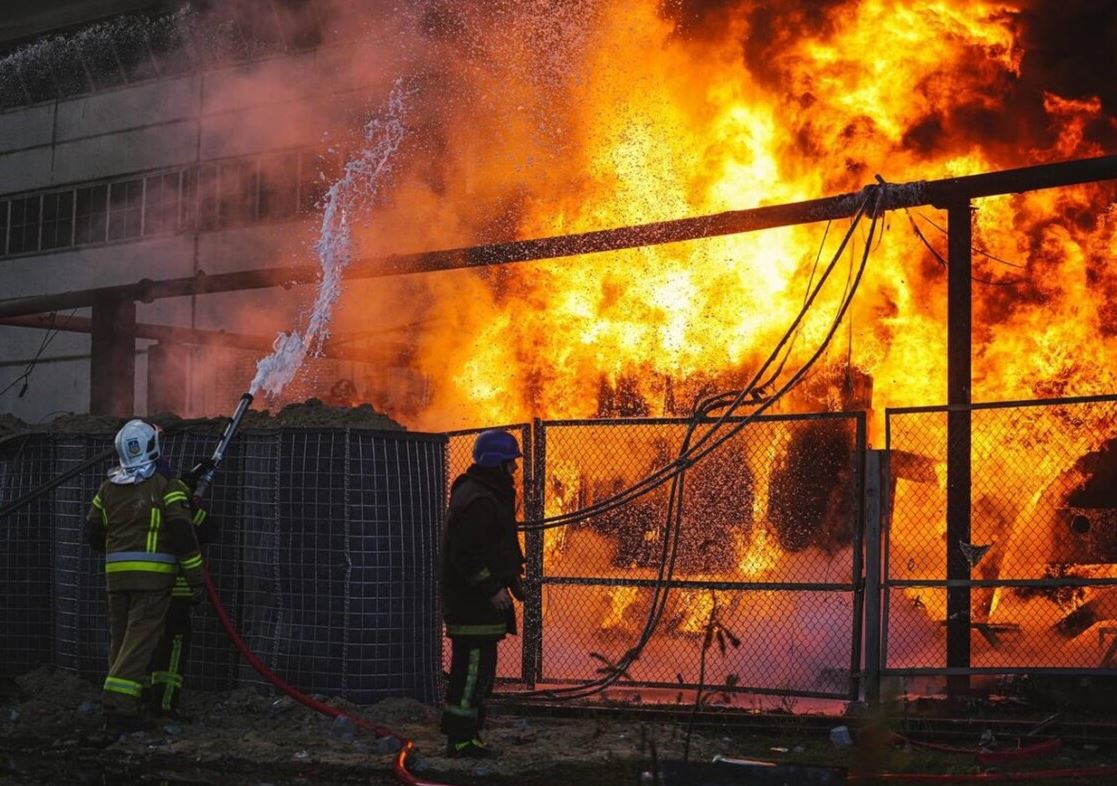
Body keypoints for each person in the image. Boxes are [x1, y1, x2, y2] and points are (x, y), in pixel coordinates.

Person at [84, 419, 205, 734]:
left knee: (122, 642)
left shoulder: (107, 488)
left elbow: (93, 533)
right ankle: (119, 705)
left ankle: (123, 704)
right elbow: (182, 535)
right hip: (153, 583)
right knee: (139, 643)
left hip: (116, 580)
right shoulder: (166, 486)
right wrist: (196, 578)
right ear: (153, 447)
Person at [440, 429, 525, 759]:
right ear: (498, 463)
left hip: (479, 606)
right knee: (471, 674)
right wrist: (491, 588)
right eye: (511, 463)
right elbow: (465, 554)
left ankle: (470, 735)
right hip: (472, 606)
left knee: (479, 675)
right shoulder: (479, 499)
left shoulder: (487, 494)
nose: (515, 470)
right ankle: (461, 741)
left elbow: (496, 547)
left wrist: (512, 581)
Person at [145, 458, 216, 719]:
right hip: (175, 592)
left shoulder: (135, 499)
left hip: (144, 592)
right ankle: (164, 705)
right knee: (172, 650)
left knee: (143, 647)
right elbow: (205, 530)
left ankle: (140, 701)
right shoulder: (176, 502)